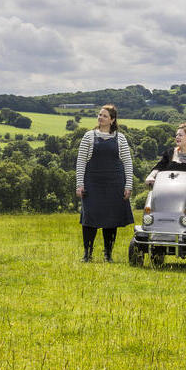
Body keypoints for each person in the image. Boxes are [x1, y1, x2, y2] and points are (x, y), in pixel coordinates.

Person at [76, 104, 133, 262]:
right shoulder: (88, 136)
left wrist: (128, 186)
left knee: (111, 220)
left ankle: (108, 255)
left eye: (104, 116)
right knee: (89, 219)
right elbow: (80, 162)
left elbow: (128, 163)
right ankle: (87, 254)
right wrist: (79, 184)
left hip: (115, 184)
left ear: (112, 120)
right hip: (92, 184)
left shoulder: (120, 138)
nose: (100, 118)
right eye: (99, 115)